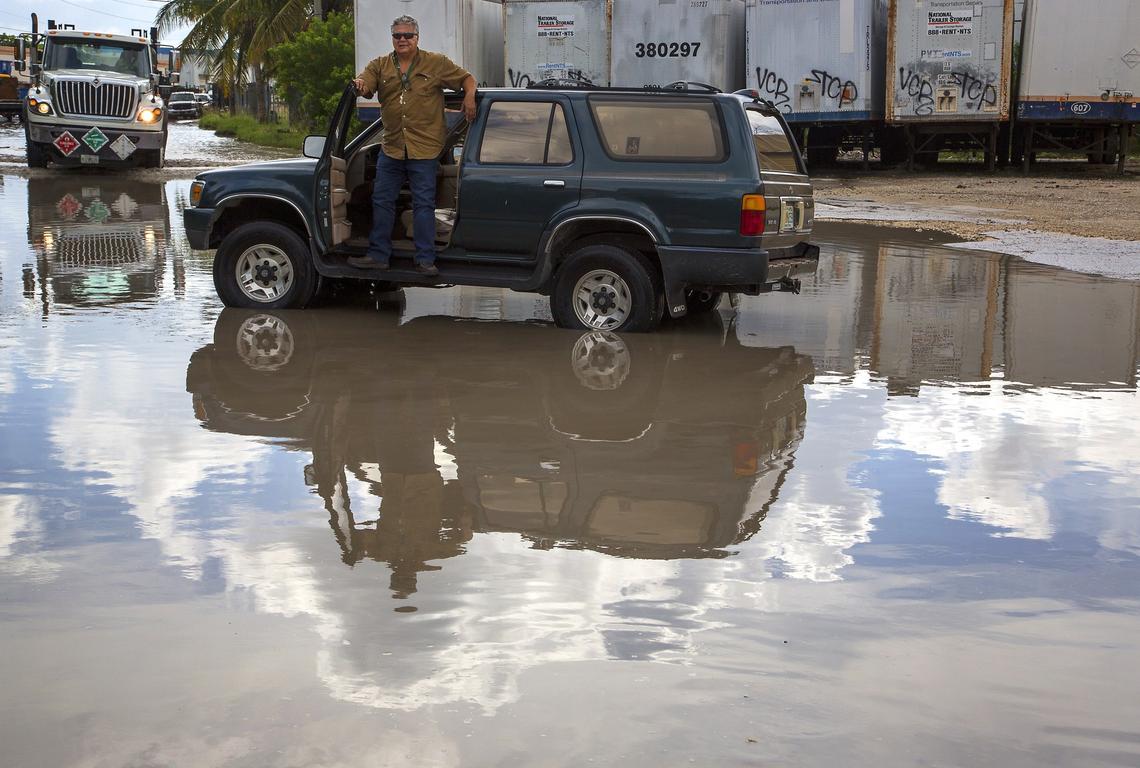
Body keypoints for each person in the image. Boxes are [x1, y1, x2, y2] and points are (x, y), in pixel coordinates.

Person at [349, 15, 476, 277]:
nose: (403, 39)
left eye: (408, 35)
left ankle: (425, 260)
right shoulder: (380, 65)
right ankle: (378, 256)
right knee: (382, 201)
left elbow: (467, 79)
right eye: (398, 36)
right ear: (392, 38)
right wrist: (360, 85)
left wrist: (471, 96)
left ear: (417, 37)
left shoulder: (436, 63)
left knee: (423, 204)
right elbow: (365, 84)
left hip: (426, 149)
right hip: (392, 147)